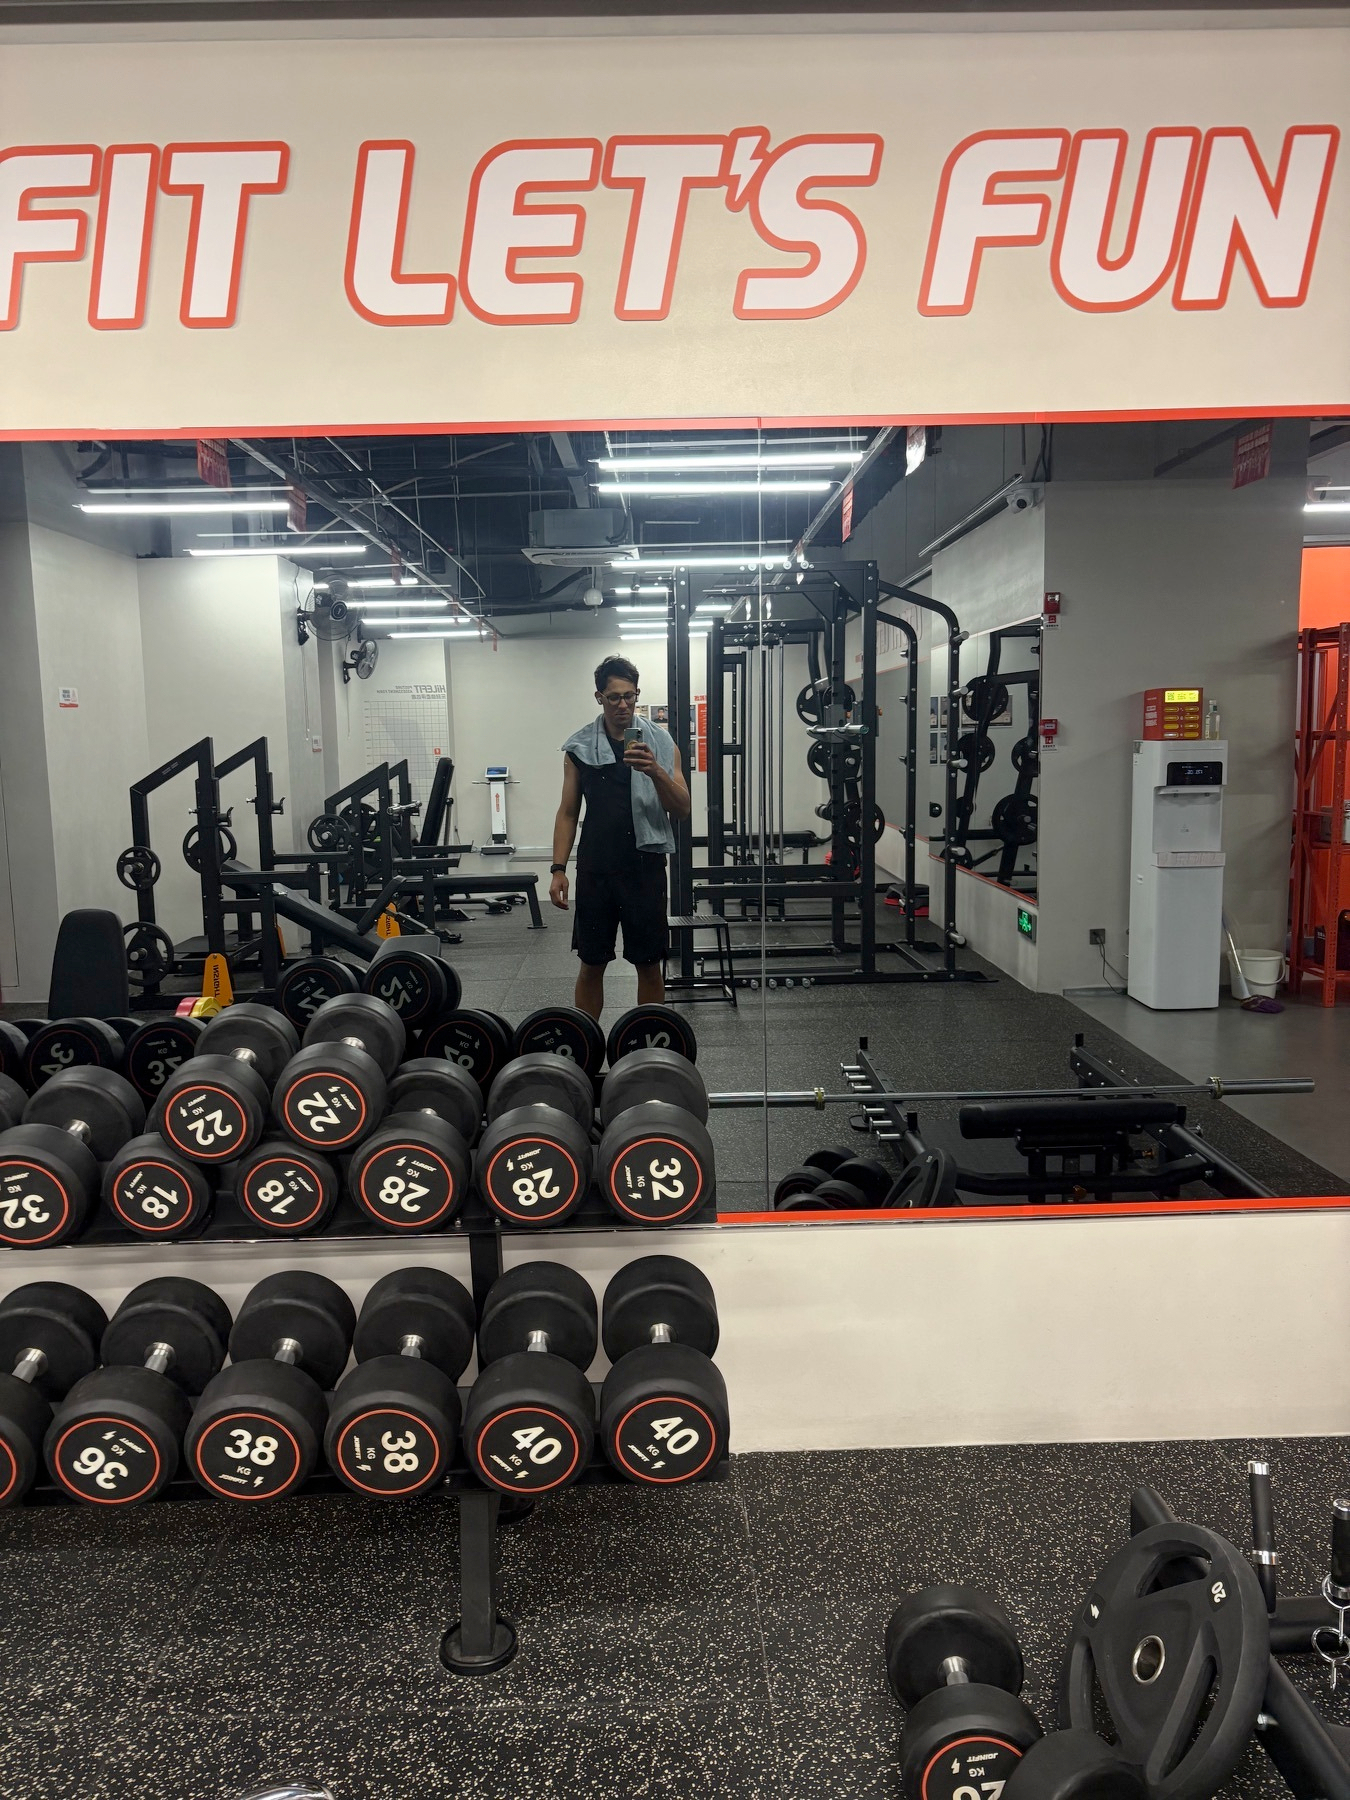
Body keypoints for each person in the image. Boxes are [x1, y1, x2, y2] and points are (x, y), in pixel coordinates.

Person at [550, 656, 691, 1021]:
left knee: (648, 963)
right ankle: (587, 1044)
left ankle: (647, 1048)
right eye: (614, 697)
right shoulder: (579, 749)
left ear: (638, 695)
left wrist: (655, 771)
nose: (623, 705)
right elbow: (567, 813)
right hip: (597, 870)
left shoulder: (661, 743)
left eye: (629, 696)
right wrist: (558, 869)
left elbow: (682, 809)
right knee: (591, 963)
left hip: (644, 869)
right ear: (599, 697)